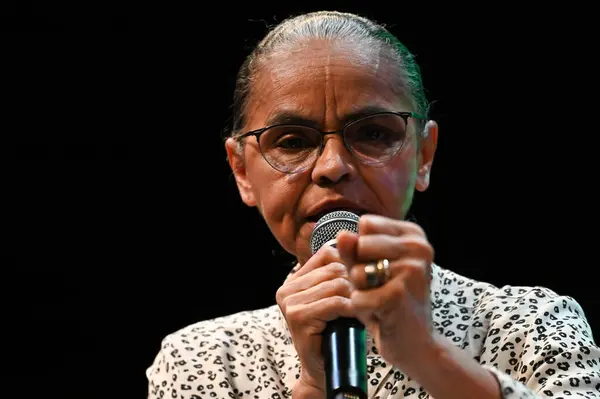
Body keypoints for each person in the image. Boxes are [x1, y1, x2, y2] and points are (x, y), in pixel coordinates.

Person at [146, 10, 600, 399]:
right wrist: (313, 385)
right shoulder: (202, 356)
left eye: (374, 134)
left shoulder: (527, 323)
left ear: (424, 156)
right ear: (242, 170)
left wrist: (425, 354)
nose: (332, 166)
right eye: (291, 141)